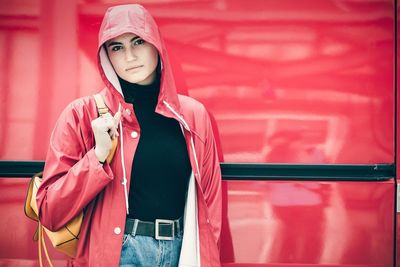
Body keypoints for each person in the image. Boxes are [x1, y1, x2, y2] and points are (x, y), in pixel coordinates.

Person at [36, 4, 222, 267]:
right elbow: (49, 212)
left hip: (182, 252)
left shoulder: (192, 116)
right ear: (106, 56)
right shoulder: (82, 114)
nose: (130, 56)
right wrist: (98, 157)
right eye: (117, 47)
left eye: (138, 41)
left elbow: (210, 207)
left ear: (156, 44)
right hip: (120, 254)